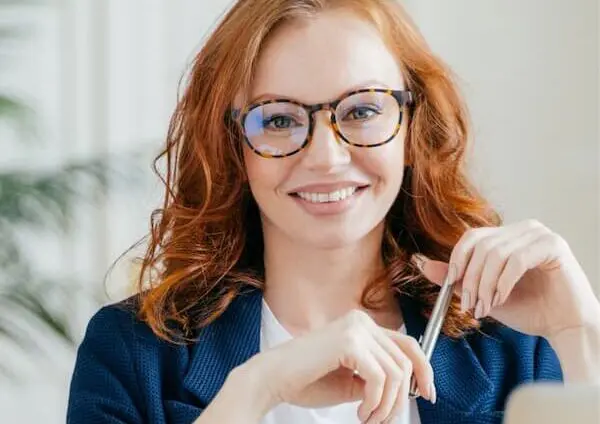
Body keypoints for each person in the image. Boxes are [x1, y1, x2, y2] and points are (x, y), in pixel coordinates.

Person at [66, 0, 600, 423]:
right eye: (276, 120)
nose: (325, 156)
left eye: (363, 109)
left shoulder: (510, 349)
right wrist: (259, 388)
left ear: (414, 128)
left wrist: (578, 331)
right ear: (232, 146)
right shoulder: (131, 352)